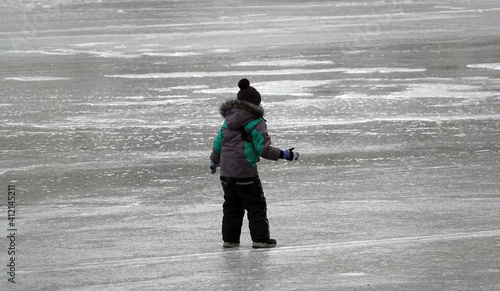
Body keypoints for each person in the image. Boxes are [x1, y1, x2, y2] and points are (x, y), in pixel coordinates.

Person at [209, 78, 299, 248]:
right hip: (245, 173)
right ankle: (260, 239)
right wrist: (285, 154)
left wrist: (214, 163)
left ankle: (230, 240)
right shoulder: (257, 123)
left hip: (226, 173)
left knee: (231, 207)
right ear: (255, 104)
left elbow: (218, 144)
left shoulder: (227, 121)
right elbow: (263, 150)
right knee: (256, 206)